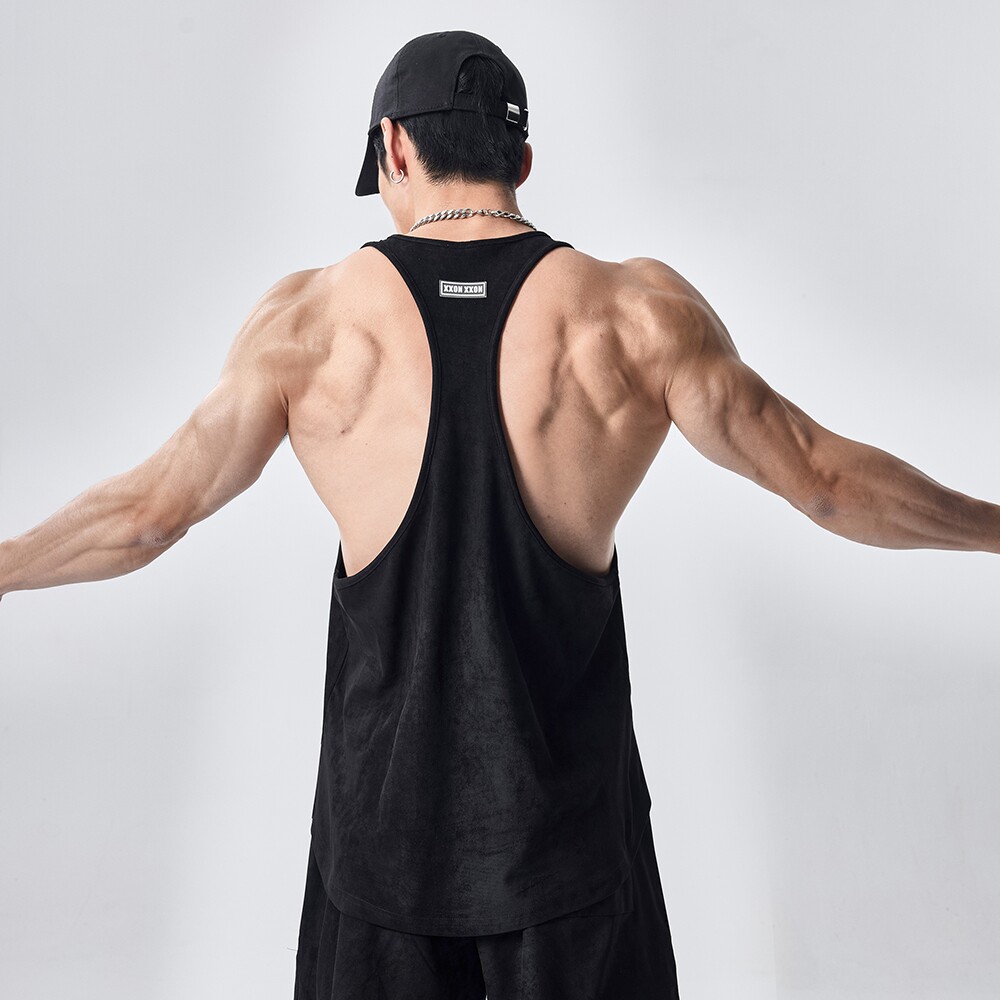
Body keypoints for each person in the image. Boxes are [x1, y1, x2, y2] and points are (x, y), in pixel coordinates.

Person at [1, 26, 998, 1000]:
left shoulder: (310, 325)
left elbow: (148, 514)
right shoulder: (635, 316)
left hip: (379, 860)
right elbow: (822, 478)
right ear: (520, 158)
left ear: (393, 147)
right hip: (571, 860)